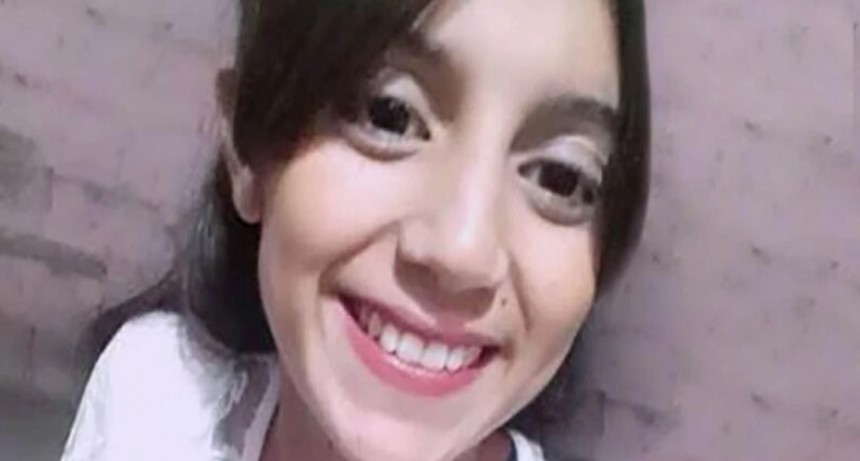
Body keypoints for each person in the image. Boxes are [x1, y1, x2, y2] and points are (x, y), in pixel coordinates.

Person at [61, 0, 650, 459]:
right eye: (390, 115)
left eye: (560, 177)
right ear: (247, 148)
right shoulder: (151, 397)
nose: (462, 249)